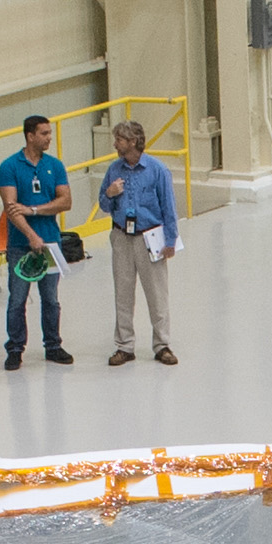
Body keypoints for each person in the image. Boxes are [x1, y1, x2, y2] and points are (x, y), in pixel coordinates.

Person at [96, 120, 184, 364]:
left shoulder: (157, 170)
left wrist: (170, 240)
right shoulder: (114, 170)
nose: (115, 144)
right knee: (123, 293)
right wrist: (110, 194)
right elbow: (104, 205)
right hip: (122, 236)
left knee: (157, 294)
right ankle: (124, 345)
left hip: (150, 236)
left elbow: (169, 207)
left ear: (132, 142)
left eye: (119, 140)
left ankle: (162, 345)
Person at [0, 115, 77, 366]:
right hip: (21, 245)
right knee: (17, 299)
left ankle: (53, 345)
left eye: (50, 133)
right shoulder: (9, 167)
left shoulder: (55, 166)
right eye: (44, 133)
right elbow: (11, 208)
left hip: (51, 243)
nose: (49, 138)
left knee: (51, 298)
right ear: (30, 136)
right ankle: (15, 348)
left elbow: (66, 201)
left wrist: (35, 210)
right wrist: (31, 236)